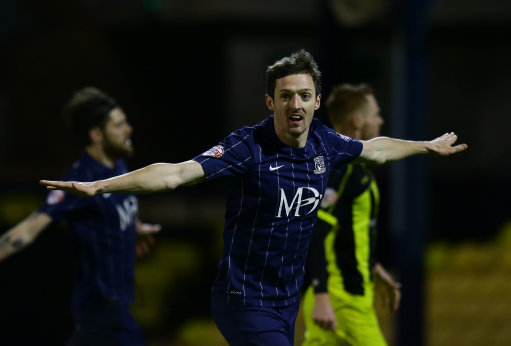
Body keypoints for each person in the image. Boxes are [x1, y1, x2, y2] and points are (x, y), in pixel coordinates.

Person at [40, 50, 467, 346]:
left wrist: (424, 146)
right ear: (271, 101)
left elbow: (375, 148)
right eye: (285, 96)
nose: (294, 104)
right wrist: (100, 186)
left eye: (303, 95)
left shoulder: (325, 142)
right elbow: (176, 174)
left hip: (286, 301)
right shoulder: (248, 147)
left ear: (317, 101)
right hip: (243, 298)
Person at [0, 87, 161, 346]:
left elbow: (113, 210)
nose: (129, 129)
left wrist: (132, 227)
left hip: (118, 307)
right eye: (119, 125)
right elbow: (29, 229)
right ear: (96, 134)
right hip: (101, 310)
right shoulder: (80, 181)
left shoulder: (117, 166)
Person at [302, 83, 401, 345]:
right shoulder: (342, 169)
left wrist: (372, 268)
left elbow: (345, 231)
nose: (380, 120)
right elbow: (315, 229)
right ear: (357, 121)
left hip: (341, 296)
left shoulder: (353, 168)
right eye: (375, 114)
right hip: (341, 300)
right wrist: (323, 296)